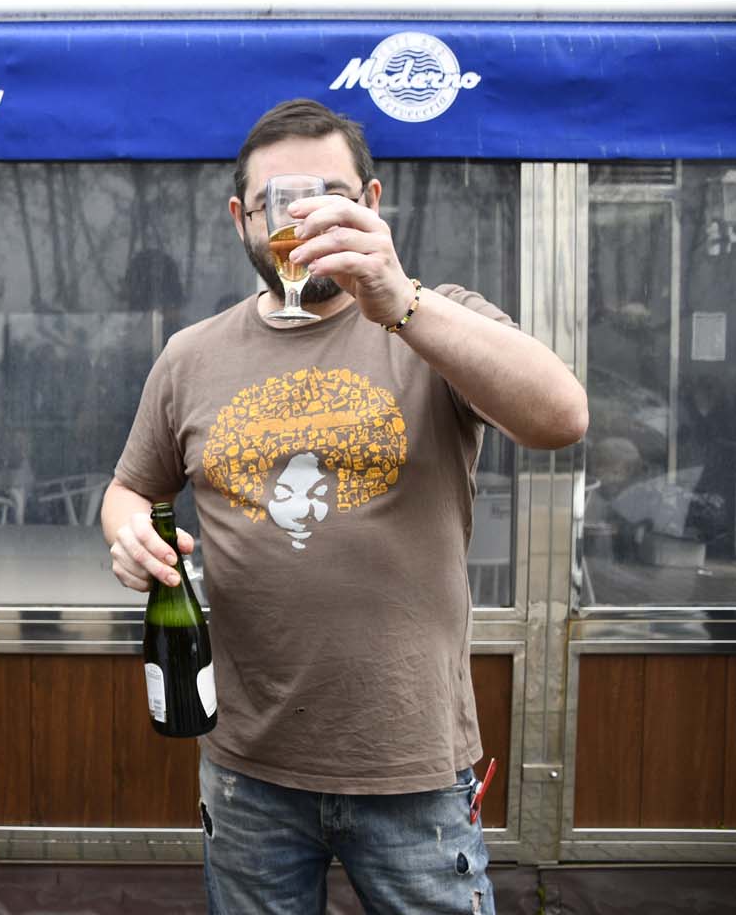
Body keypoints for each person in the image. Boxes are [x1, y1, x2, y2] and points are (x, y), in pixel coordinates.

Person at [102, 99, 587, 915]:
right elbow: (130, 490)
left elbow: (561, 417)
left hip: (411, 770)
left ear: (370, 203)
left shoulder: (438, 321)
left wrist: (399, 299)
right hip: (247, 768)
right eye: (277, 203)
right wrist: (129, 535)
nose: (302, 218)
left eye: (327, 195)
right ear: (240, 220)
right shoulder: (191, 356)